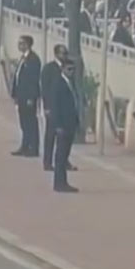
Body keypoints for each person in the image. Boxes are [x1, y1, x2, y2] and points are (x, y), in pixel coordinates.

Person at [49, 57, 80, 193]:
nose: (71, 72)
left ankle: (63, 181)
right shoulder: (58, 84)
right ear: (62, 69)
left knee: (65, 155)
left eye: (73, 69)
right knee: (60, 155)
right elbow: (55, 106)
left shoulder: (71, 83)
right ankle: (59, 183)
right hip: (62, 125)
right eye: (69, 69)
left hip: (70, 124)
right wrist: (58, 125)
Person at [10, 35, 42, 157]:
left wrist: (31, 97)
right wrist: (15, 94)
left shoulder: (33, 59)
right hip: (21, 95)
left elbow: (33, 80)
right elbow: (18, 77)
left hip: (29, 97)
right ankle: (25, 145)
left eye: (22, 43)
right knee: (23, 122)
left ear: (28, 45)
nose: (20, 45)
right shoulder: (23, 58)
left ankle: (33, 148)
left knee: (31, 122)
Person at [40, 44, 71, 171]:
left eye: (65, 53)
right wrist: (46, 107)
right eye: (62, 53)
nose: (64, 56)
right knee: (50, 135)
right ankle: (47, 161)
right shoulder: (49, 69)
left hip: (64, 109)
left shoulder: (68, 68)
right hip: (52, 108)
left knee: (64, 138)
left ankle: (64, 161)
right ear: (56, 54)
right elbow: (45, 89)